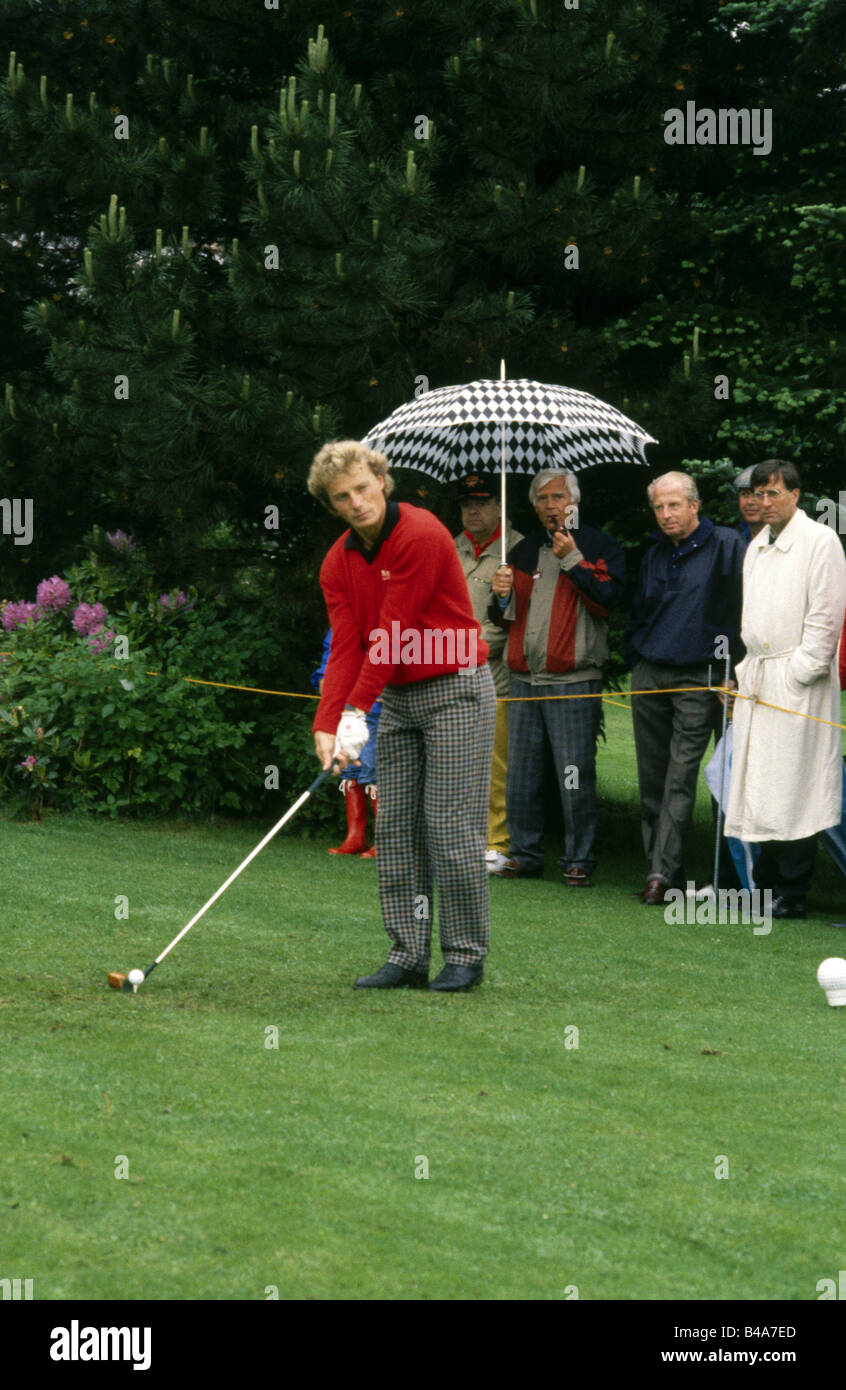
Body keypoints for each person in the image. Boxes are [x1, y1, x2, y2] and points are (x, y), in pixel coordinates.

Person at [308, 439, 496, 991]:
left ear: (382, 481)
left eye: (364, 488)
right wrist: (327, 721)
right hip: (400, 695)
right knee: (395, 830)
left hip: (455, 685)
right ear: (332, 504)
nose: (357, 502)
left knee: (448, 826)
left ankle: (464, 954)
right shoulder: (337, 563)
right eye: (342, 497)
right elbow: (347, 644)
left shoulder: (420, 532)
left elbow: (394, 635)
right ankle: (408, 955)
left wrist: (356, 711)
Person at [489, 468, 626, 885]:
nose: (552, 506)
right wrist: (501, 594)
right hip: (525, 679)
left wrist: (571, 558)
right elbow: (502, 618)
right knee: (521, 775)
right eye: (543, 499)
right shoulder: (523, 550)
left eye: (559, 497)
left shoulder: (600, 543)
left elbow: (608, 599)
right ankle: (525, 854)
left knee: (574, 772)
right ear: (534, 505)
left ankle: (578, 860)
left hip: (573, 679)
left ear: (575, 502)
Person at [724, 459, 846, 918]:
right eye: (758, 494)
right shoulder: (756, 545)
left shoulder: (820, 541)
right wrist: (744, 671)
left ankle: (792, 892)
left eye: (774, 493)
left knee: (797, 783)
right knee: (763, 782)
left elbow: (827, 615)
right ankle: (767, 886)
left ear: (796, 495)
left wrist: (802, 671)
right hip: (760, 674)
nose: (764, 502)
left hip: (797, 679)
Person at [625, 470, 746, 904]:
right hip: (650, 672)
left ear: (695, 505)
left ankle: (661, 875)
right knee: (651, 776)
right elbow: (639, 608)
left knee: (681, 775)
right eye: (658, 507)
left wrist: (730, 667)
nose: (665, 514)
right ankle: (657, 866)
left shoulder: (728, 545)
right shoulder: (656, 552)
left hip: (700, 674)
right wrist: (635, 652)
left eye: (674, 505)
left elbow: (741, 611)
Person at [452, 472, 523, 874]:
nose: (472, 510)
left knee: (496, 764)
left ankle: (497, 842)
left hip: (493, 674)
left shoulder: (517, 550)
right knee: (455, 761)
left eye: (480, 502)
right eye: (466, 503)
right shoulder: (450, 546)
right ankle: (461, 837)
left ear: (499, 506)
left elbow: (509, 625)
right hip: (448, 671)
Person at [311, 629, 381, 857]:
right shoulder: (338, 628)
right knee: (348, 770)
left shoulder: (387, 623)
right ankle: (355, 837)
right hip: (347, 709)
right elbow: (327, 664)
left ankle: (385, 840)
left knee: (373, 770)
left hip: (378, 710)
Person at [733, 465, 765, 541]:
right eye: (745, 494)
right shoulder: (734, 539)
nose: (750, 502)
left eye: (758, 495)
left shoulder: (786, 536)